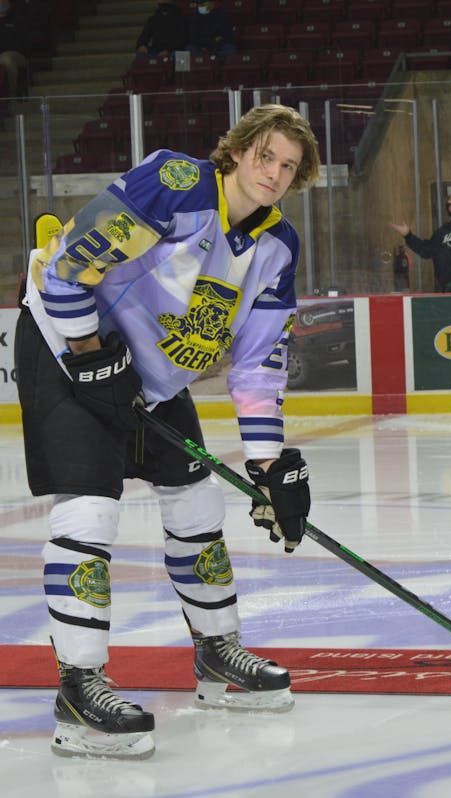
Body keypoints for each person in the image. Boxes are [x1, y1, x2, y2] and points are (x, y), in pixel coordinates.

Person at [17, 103, 321, 759]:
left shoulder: (277, 249)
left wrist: (268, 466)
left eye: (289, 166)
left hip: (150, 379)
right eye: (265, 155)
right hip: (63, 344)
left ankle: (217, 654)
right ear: (237, 151)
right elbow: (70, 267)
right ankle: (79, 688)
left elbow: (257, 370)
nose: (274, 172)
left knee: (198, 499)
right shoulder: (177, 185)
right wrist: (90, 353)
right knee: (91, 511)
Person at [0, 0, 29, 96]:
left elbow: (20, 42)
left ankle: (11, 96)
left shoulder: (16, 18)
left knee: (7, 59)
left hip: (17, 54)